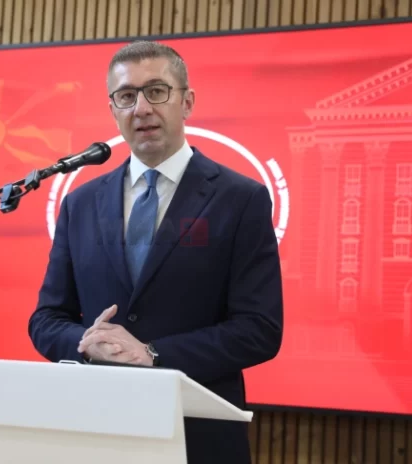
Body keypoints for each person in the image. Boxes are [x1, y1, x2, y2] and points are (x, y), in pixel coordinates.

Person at [28, 40, 284, 464]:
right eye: (126, 96)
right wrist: (86, 343)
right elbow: (46, 319)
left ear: (187, 102)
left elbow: (259, 329)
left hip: (196, 434)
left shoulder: (241, 199)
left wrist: (151, 355)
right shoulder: (81, 203)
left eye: (157, 91)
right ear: (113, 109)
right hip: (95, 430)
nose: (142, 108)